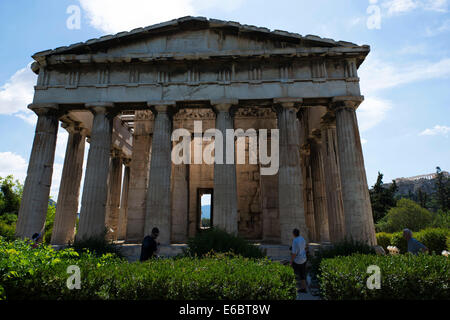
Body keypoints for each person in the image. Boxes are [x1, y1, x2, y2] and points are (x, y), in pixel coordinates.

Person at [291, 228, 308, 293]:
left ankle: (292, 287)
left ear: (294, 234)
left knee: (294, 273)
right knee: (302, 274)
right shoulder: (302, 239)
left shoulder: (295, 241)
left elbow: (294, 253)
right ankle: (304, 288)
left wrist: (291, 261)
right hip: (304, 259)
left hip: (297, 260)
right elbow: (305, 248)